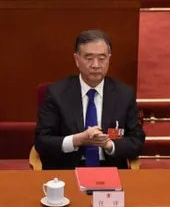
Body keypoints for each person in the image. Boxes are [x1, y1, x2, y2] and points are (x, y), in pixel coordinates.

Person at [34, 30, 145, 169]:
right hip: (68, 171)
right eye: (89, 58)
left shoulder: (124, 94)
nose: (96, 65)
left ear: (109, 59)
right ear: (77, 60)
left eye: (102, 58)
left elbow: (137, 141)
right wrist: (77, 140)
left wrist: (109, 145)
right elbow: (42, 141)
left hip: (110, 171)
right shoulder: (56, 94)